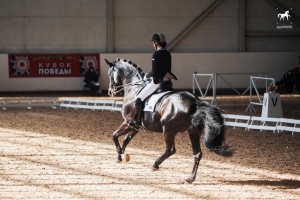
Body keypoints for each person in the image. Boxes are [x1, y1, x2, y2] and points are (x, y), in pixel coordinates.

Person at [129, 33, 173, 128]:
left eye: (153, 42)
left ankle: (137, 122)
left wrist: (147, 76)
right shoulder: (168, 54)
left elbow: (155, 71)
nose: (153, 44)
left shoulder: (156, 54)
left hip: (157, 82)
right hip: (168, 81)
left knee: (138, 98)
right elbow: (168, 69)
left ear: (156, 43)